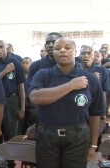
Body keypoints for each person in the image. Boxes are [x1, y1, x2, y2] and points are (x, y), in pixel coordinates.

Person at [28, 37, 105, 168]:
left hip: (78, 136)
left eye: (67, 48)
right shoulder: (43, 75)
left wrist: (93, 145)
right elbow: (35, 98)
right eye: (58, 48)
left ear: (75, 52)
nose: (62, 51)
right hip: (47, 135)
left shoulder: (90, 78)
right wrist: (71, 85)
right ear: (53, 53)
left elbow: (95, 114)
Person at [0, 40, 25, 142]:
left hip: (10, 100)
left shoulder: (15, 62)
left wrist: (22, 108)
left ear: (6, 48)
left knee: (11, 134)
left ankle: (9, 158)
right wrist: (6, 71)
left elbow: (21, 86)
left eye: (1, 47)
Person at [80, 45, 110, 118]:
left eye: (89, 53)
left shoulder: (103, 71)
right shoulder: (74, 70)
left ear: (93, 56)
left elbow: (105, 92)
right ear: (80, 55)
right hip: (79, 109)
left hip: (95, 109)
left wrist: (103, 113)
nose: (86, 56)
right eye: (83, 53)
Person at [18, 57, 36, 135]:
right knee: (21, 127)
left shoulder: (35, 76)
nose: (25, 65)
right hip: (21, 106)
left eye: (27, 63)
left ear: (31, 64)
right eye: (23, 63)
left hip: (32, 106)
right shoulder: (18, 76)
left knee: (31, 127)